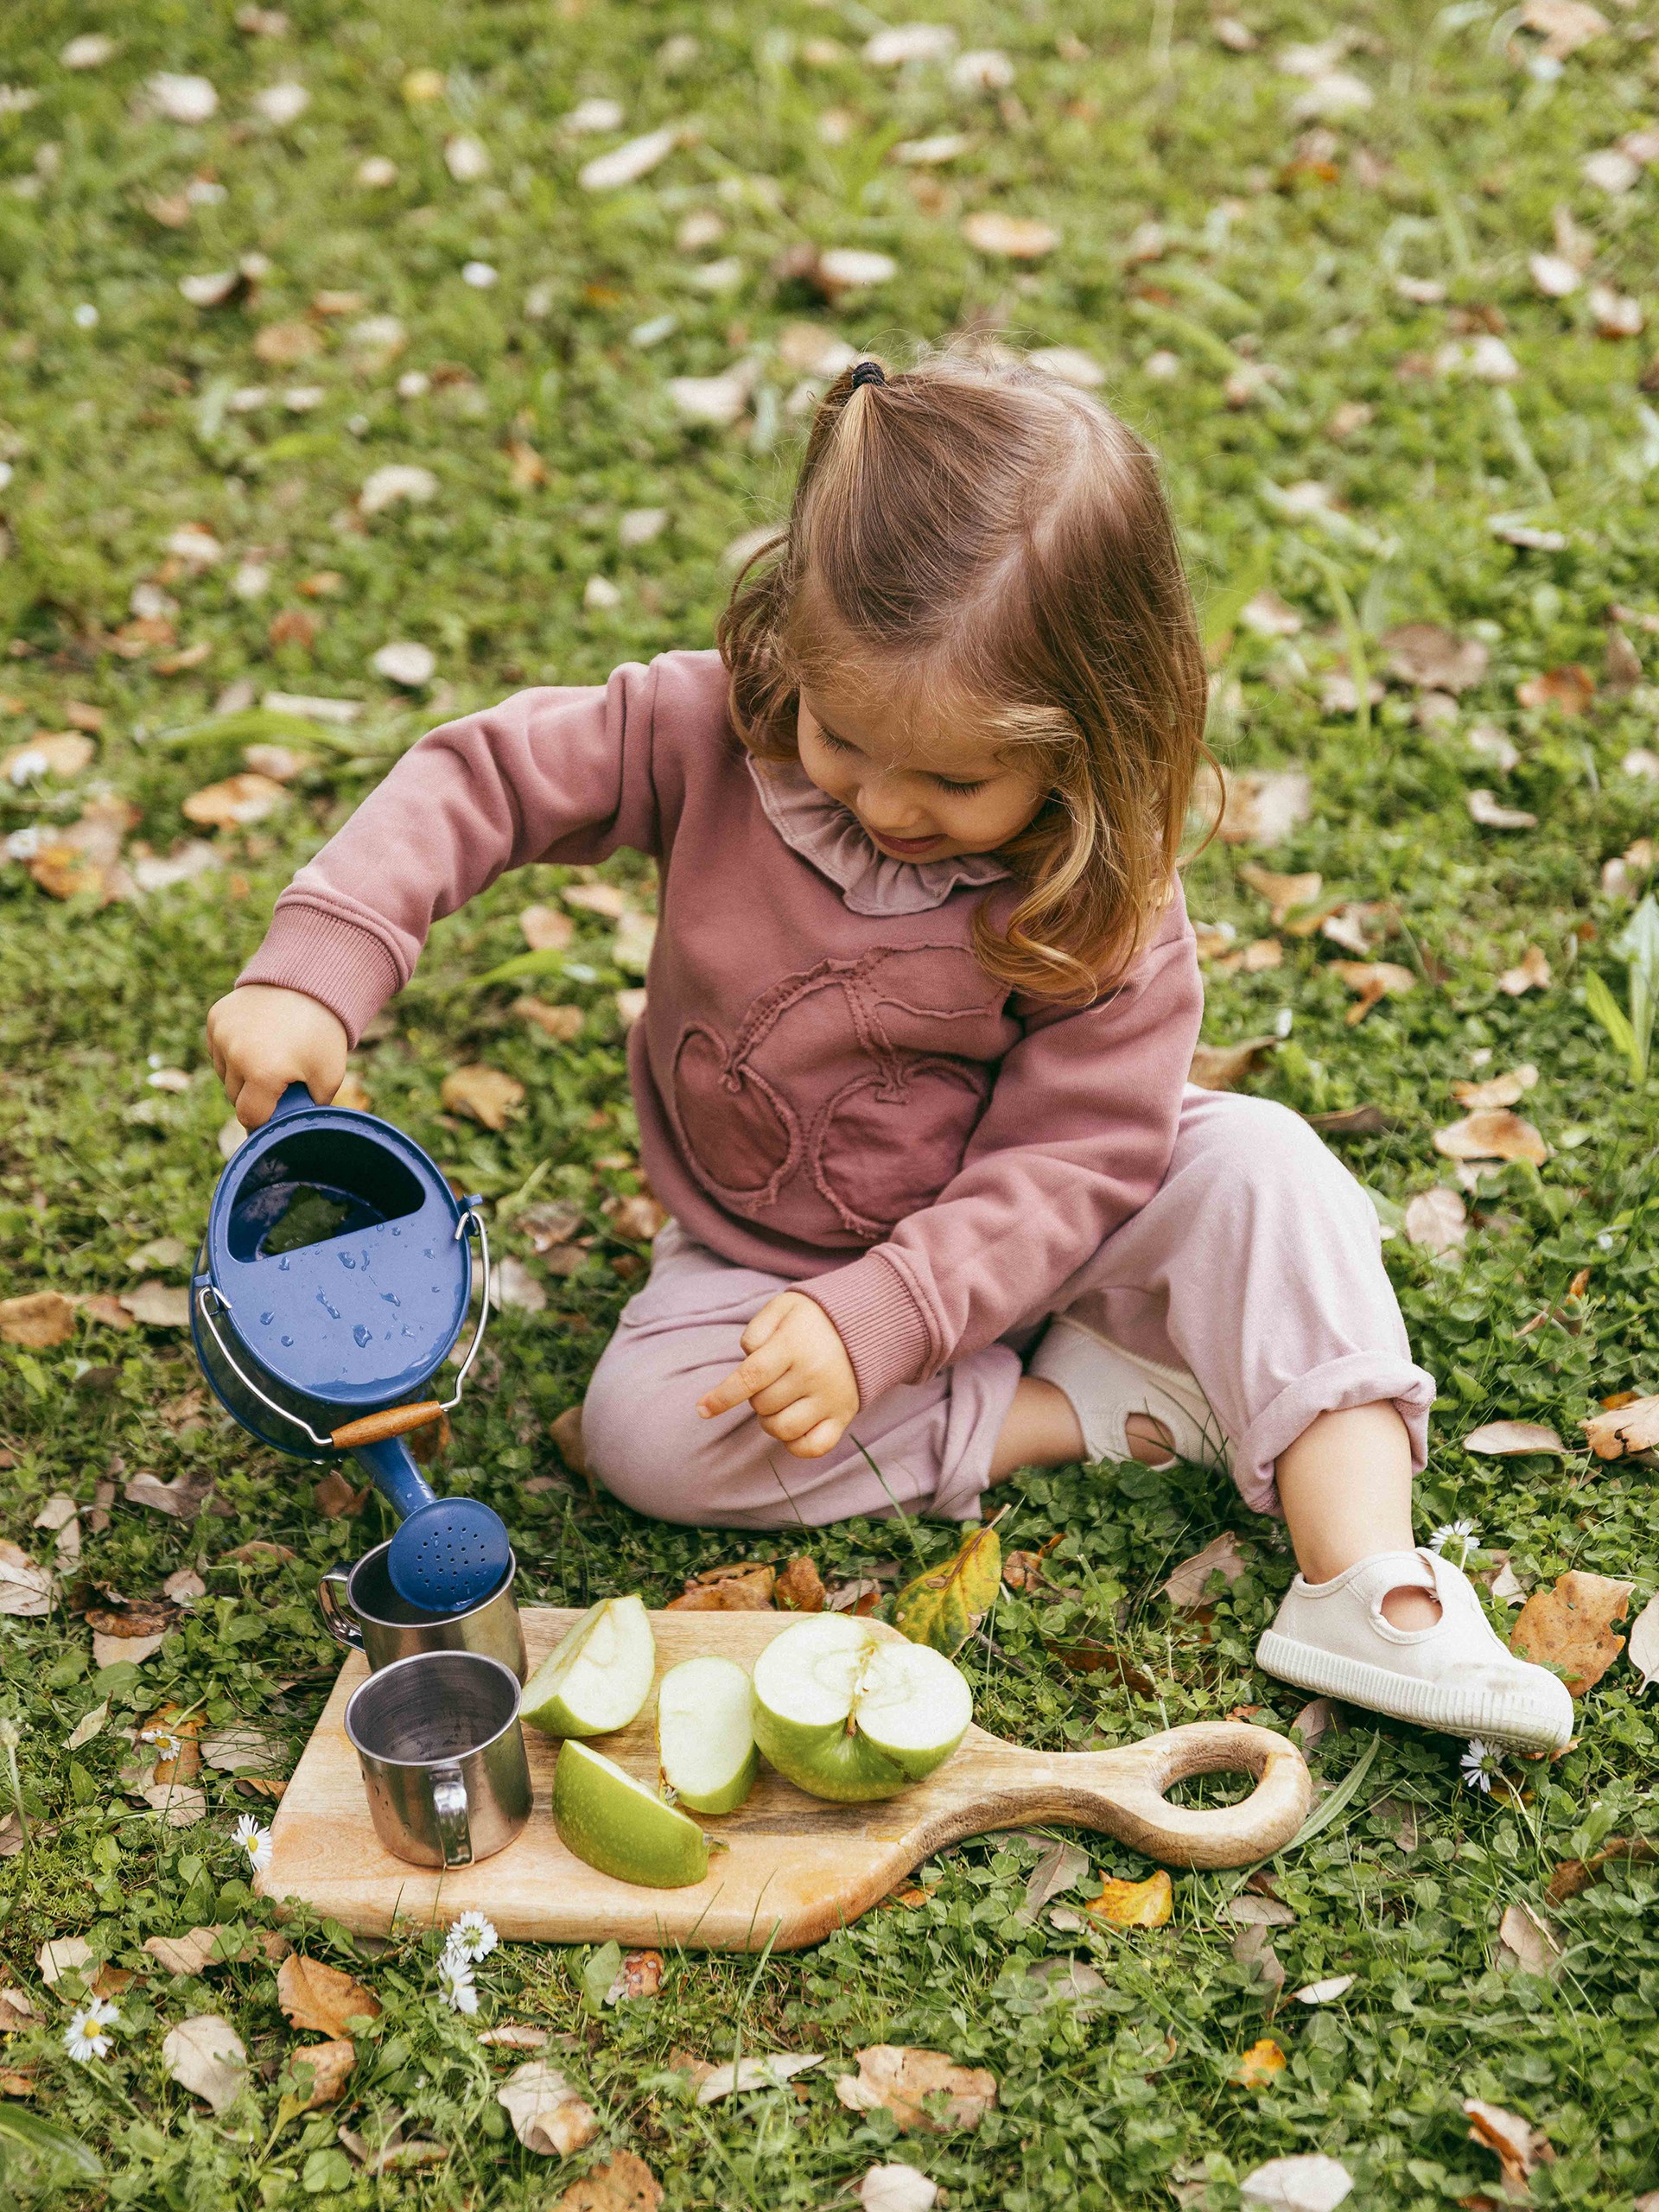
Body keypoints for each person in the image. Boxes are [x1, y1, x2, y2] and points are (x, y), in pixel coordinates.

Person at [207, 348, 1571, 1757]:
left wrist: (896, 1320)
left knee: (1267, 1166)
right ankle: (1083, 1410)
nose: (885, 800)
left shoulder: (1105, 892)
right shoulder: (703, 735)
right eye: (844, 734)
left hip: (1057, 1233)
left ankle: (1367, 1577)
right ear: (793, 645)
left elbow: (1076, 1158)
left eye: (959, 779)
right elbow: (480, 782)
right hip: (770, 1254)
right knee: (645, 1434)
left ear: (1092, 737)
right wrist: (321, 968)